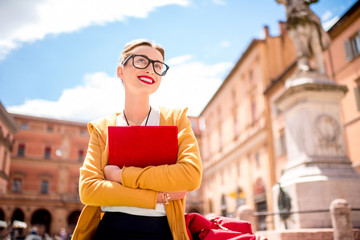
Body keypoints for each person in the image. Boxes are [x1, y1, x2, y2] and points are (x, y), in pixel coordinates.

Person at [71, 39, 203, 240]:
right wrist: (158, 197)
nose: (151, 70)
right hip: (111, 231)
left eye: (157, 66)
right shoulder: (102, 128)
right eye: (141, 61)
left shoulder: (176, 119)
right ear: (120, 71)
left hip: (163, 231)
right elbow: (89, 191)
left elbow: (190, 176)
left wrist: (121, 176)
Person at [276, 0, 331, 75]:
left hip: (310, 19)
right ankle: (304, 66)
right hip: (296, 21)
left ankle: (320, 69)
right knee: (302, 47)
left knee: (316, 46)